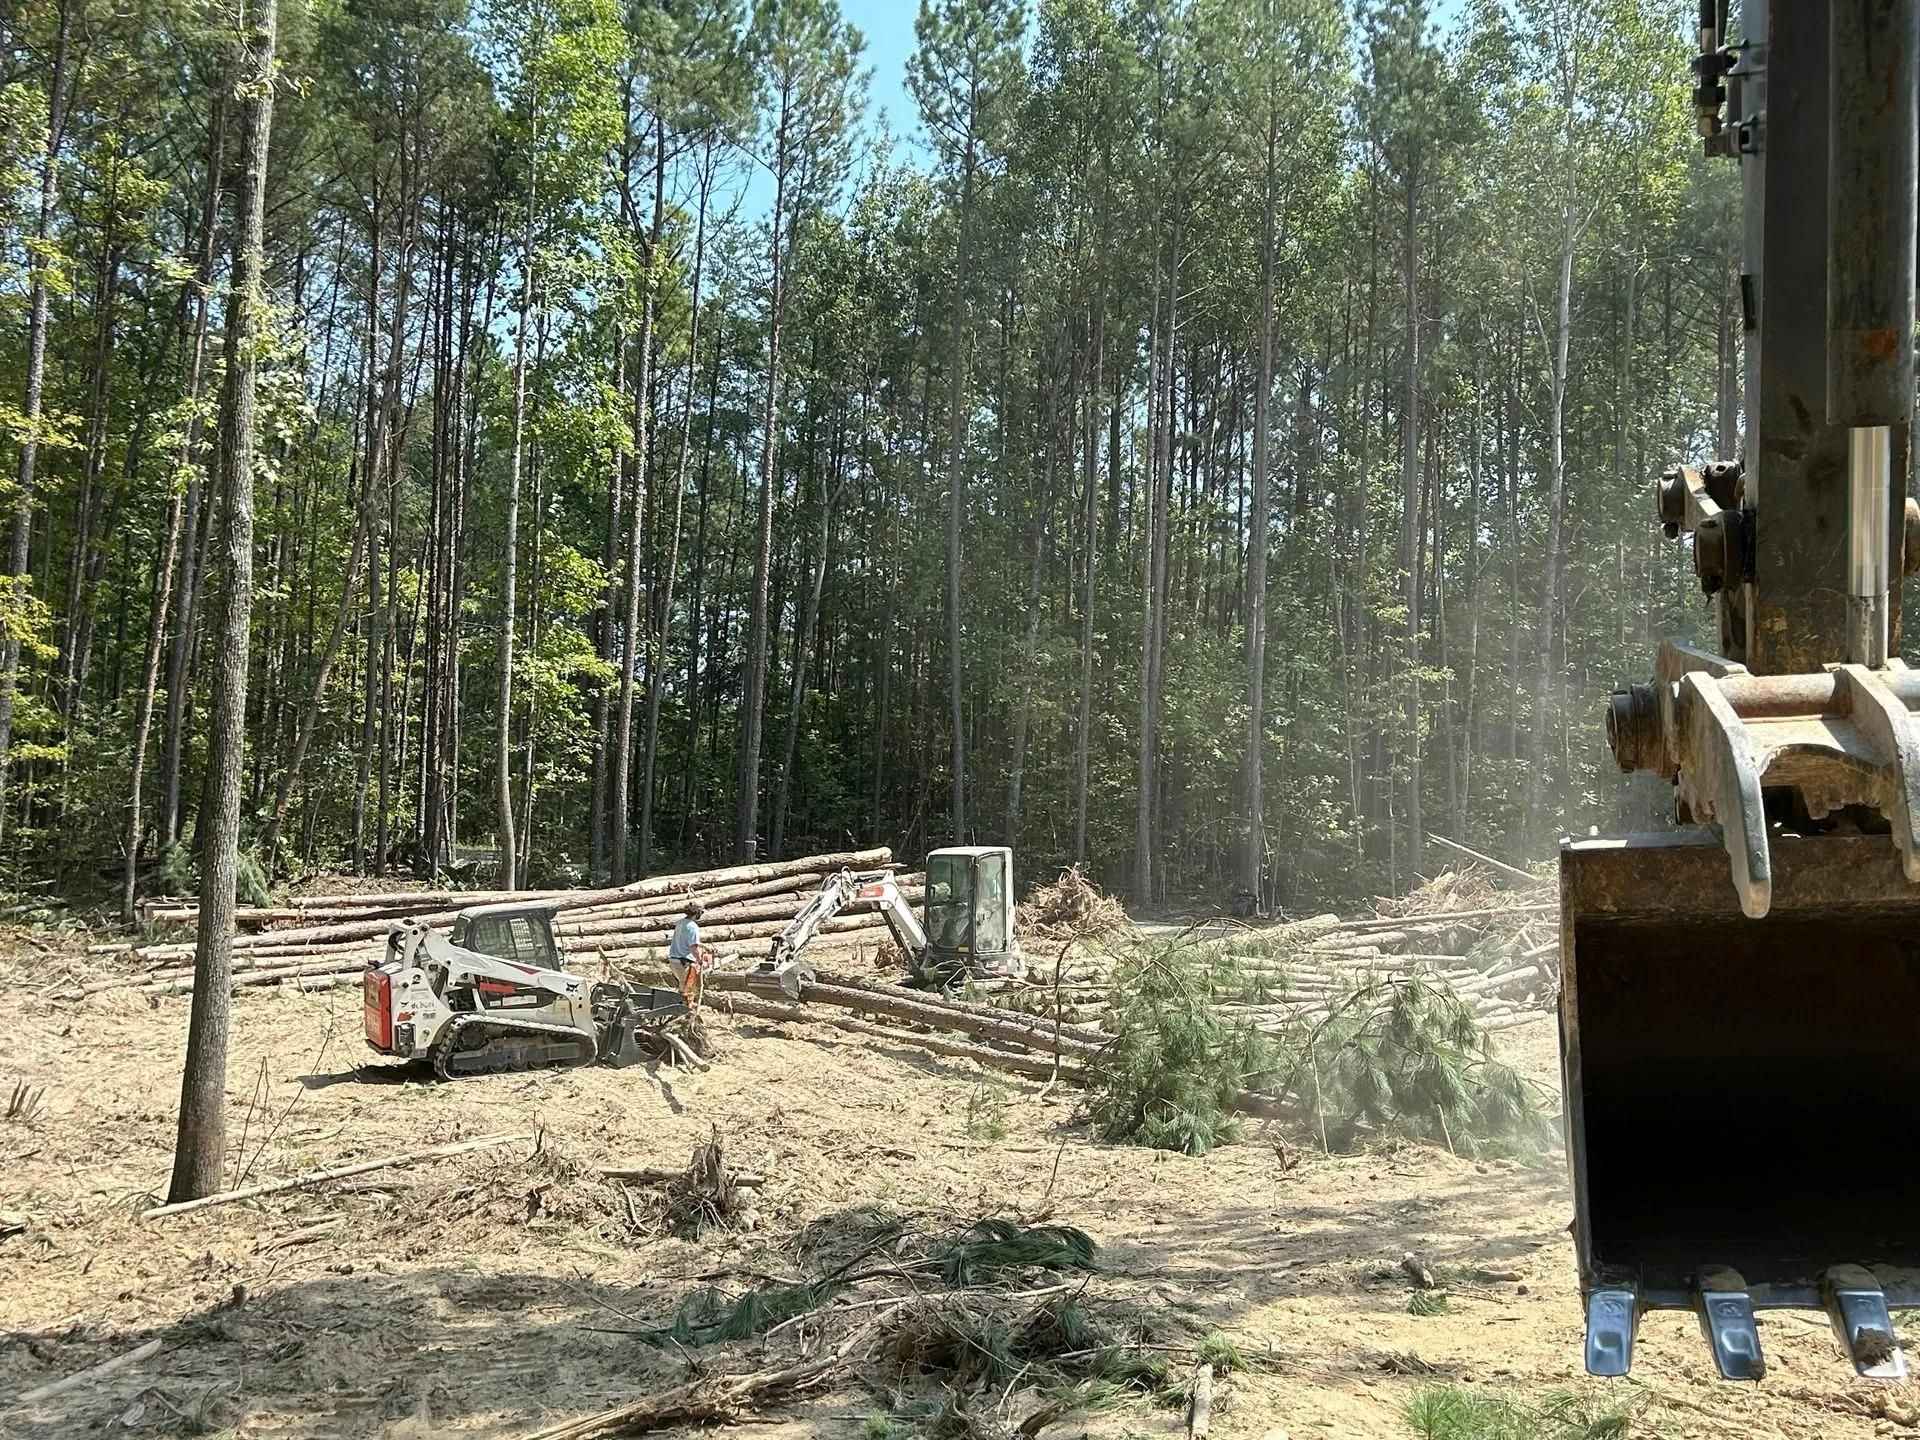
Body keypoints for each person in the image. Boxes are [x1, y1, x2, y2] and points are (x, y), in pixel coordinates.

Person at [668, 898, 714, 1001]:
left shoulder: (681, 922)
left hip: (673, 962)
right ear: (697, 912)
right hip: (683, 963)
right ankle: (685, 1013)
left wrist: (704, 946)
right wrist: (700, 960)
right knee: (687, 992)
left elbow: (687, 940)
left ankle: (679, 1010)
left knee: (682, 988)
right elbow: (693, 948)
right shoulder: (693, 927)